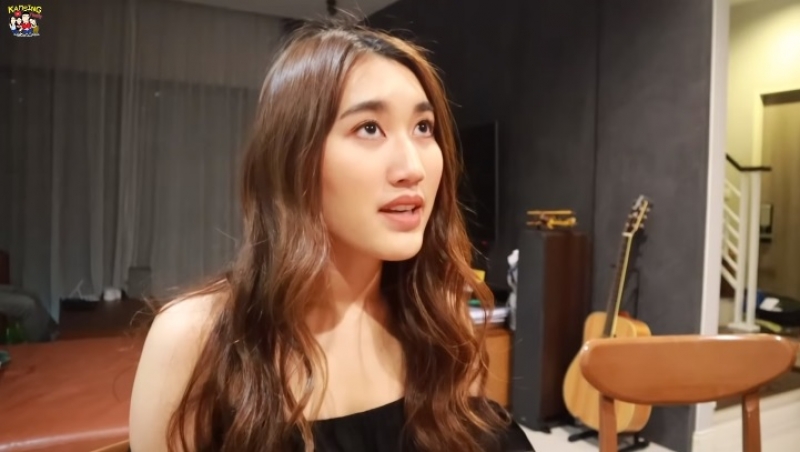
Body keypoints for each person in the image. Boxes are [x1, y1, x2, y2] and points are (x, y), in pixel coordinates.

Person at [129, 18, 536, 452]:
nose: (413, 167)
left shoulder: (437, 316)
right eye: (369, 128)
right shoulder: (194, 341)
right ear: (294, 158)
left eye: (423, 127)